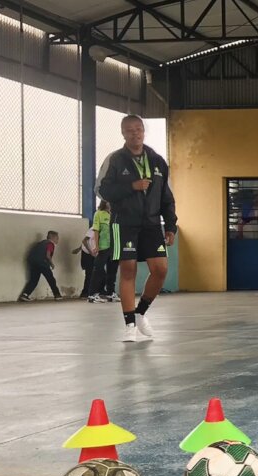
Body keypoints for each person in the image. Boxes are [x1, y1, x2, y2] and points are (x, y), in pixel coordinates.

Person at [97, 115, 177, 342]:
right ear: (123, 133)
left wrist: (170, 225)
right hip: (125, 223)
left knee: (160, 270)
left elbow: (167, 198)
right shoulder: (115, 160)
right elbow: (102, 190)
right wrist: (131, 186)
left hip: (152, 224)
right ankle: (129, 324)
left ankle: (140, 312)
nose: (135, 134)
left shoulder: (158, 161)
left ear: (144, 131)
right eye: (130, 130)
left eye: (139, 129)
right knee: (129, 270)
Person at [87, 200, 120, 303]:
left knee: (112, 271)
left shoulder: (116, 214)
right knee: (98, 270)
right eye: (108, 201)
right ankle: (92, 294)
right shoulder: (99, 214)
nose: (110, 204)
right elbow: (96, 230)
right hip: (103, 246)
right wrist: (96, 245)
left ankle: (111, 293)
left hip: (115, 247)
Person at [19, 231, 62, 302]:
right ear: (52, 237)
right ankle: (57, 295)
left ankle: (25, 295)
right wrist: (51, 263)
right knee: (51, 279)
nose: (58, 240)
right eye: (57, 238)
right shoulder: (50, 244)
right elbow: (48, 255)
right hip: (42, 263)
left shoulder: (41, 243)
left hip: (32, 262)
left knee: (33, 280)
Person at [74, 226, 97, 299]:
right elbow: (84, 241)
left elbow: (90, 242)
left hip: (93, 254)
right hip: (88, 253)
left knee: (97, 272)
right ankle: (85, 293)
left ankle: (96, 291)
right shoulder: (94, 229)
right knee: (89, 273)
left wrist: (78, 249)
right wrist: (90, 252)